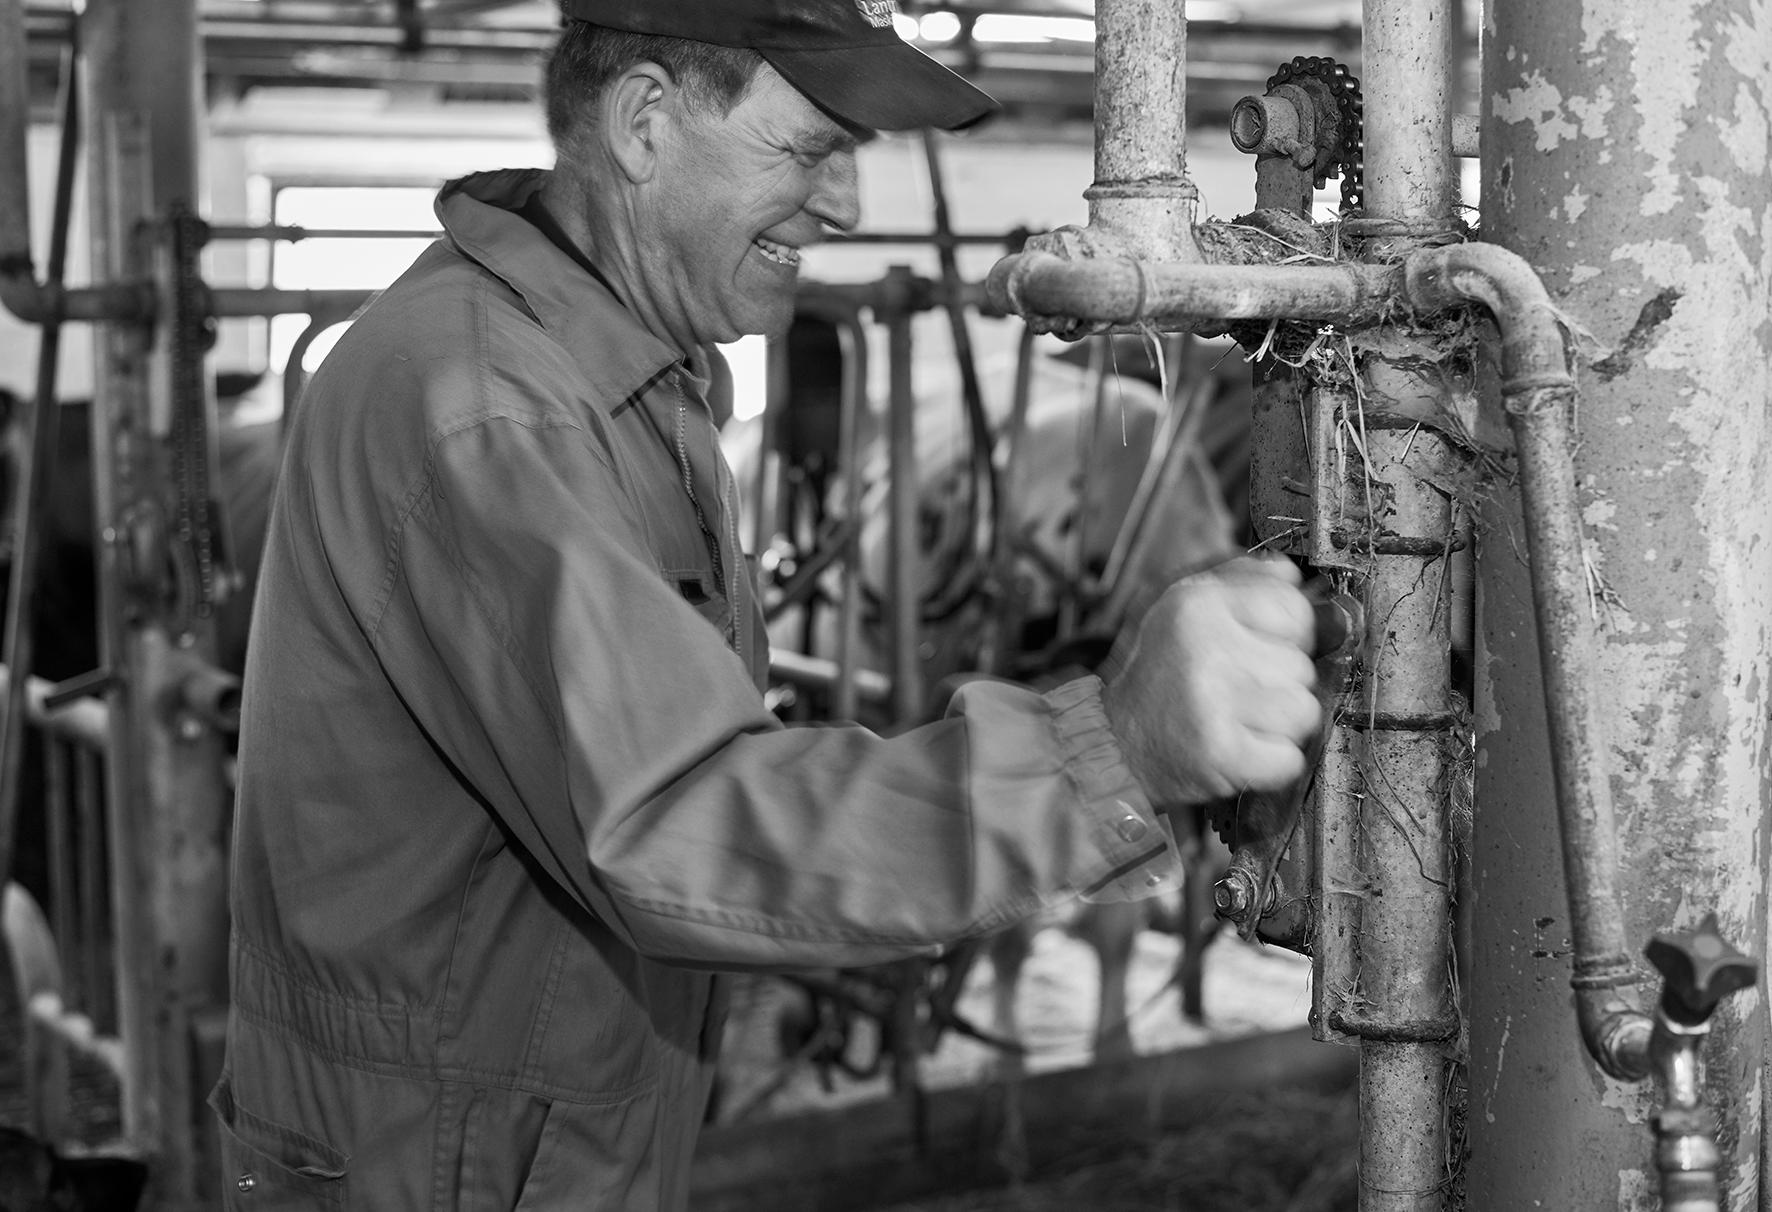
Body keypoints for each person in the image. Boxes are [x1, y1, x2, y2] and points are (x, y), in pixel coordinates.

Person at [210, 2, 1325, 1208]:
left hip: (518, 1133)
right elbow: (676, 816)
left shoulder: (635, 372)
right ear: (644, 121)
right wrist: (1111, 751)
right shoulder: (492, 407)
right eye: (807, 148)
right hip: (437, 1164)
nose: (844, 204)